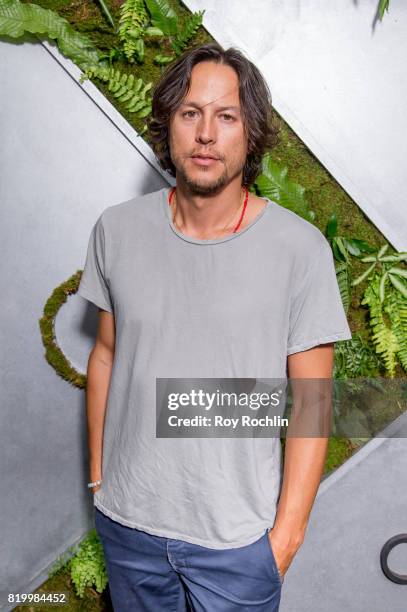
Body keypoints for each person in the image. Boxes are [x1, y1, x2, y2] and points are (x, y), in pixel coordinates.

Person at [77, 42, 352, 611]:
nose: (206, 134)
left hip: (236, 545)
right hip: (128, 531)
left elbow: (312, 401)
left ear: (249, 134)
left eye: (226, 116)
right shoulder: (115, 230)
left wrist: (286, 538)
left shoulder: (299, 250)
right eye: (190, 113)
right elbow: (105, 355)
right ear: (169, 124)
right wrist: (101, 481)